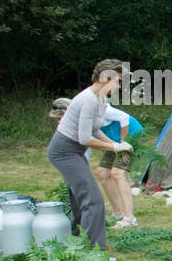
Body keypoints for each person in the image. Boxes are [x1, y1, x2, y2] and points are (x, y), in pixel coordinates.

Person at [46, 60, 131, 250]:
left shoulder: (101, 99)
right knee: (93, 200)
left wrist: (115, 143)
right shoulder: (88, 100)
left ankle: (75, 244)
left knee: (79, 198)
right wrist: (113, 149)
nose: (118, 86)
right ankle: (92, 252)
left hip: (75, 151)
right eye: (117, 81)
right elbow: (85, 138)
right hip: (64, 152)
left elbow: (94, 130)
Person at [95, 104, 143, 229]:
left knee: (118, 173)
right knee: (102, 173)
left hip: (131, 136)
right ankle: (118, 213)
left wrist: (123, 143)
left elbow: (124, 117)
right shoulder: (78, 119)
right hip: (113, 141)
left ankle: (130, 218)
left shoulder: (100, 109)